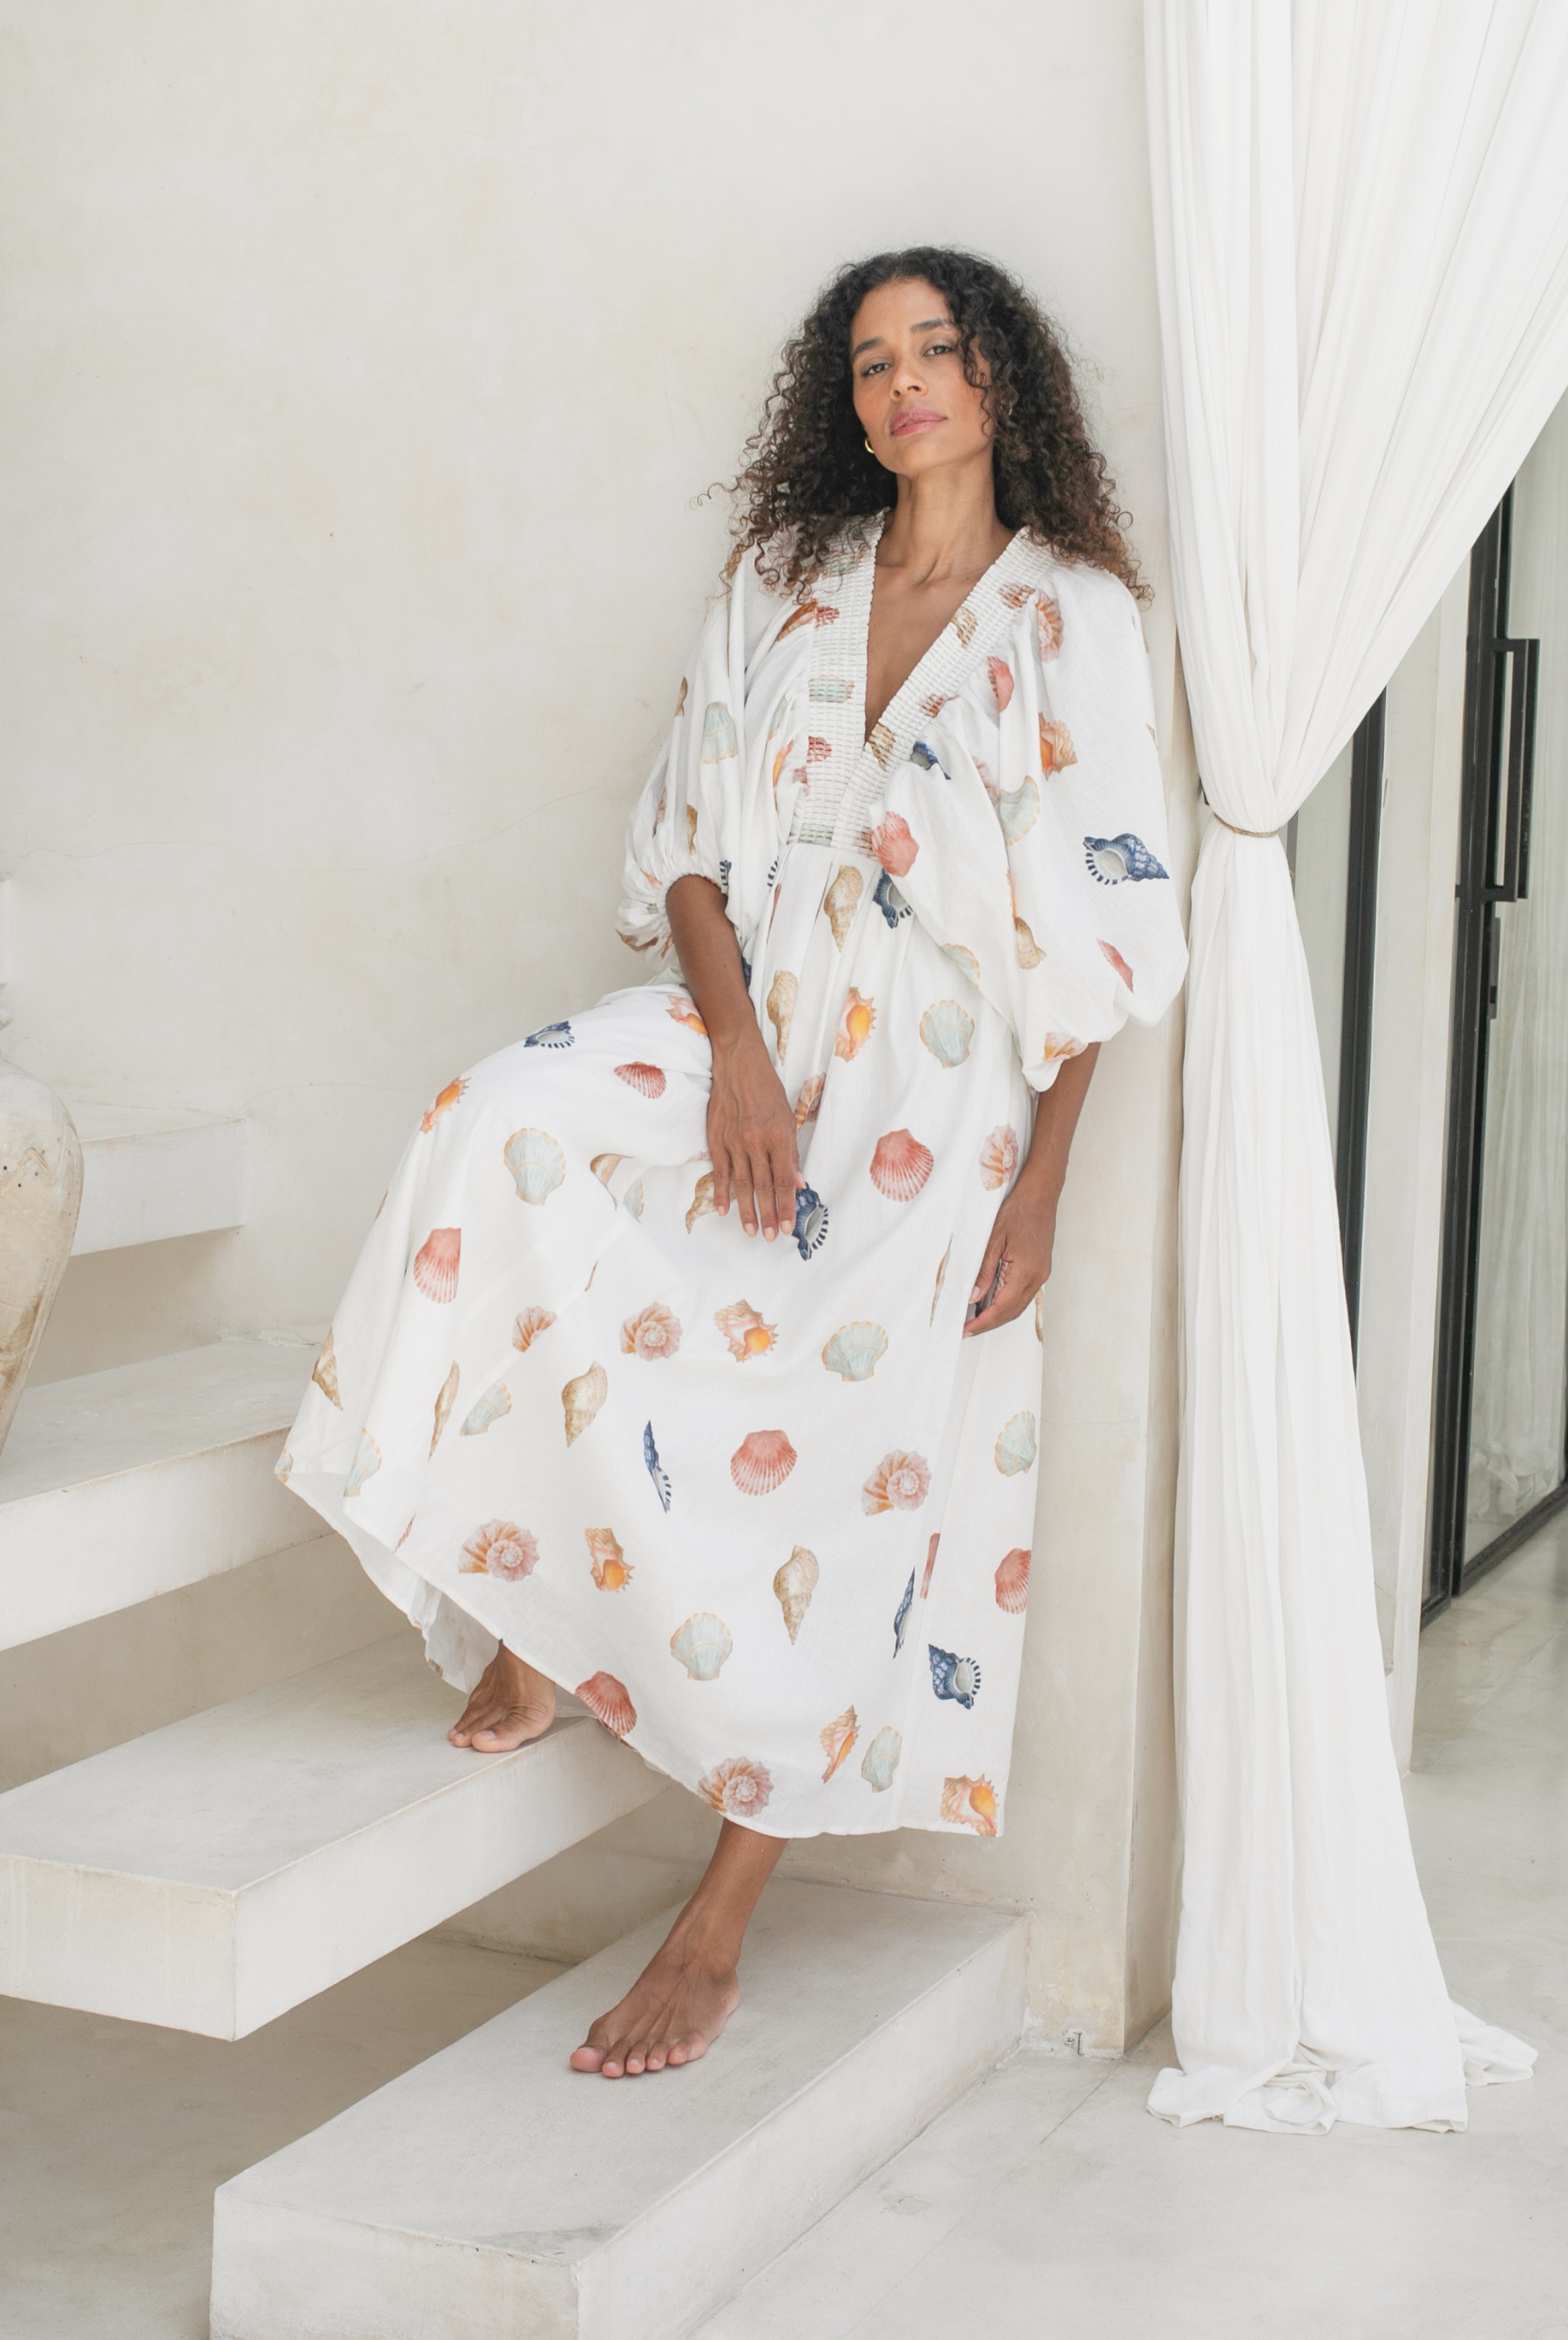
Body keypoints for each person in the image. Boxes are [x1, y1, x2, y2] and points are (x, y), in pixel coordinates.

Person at [279, 246, 1186, 2080]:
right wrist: (739, 1057)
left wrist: (1040, 1183)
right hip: (753, 1018)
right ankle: (527, 1594)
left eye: (937, 349)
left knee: (862, 1453)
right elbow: (686, 844)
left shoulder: (1074, 615)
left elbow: (1097, 943)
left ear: (1001, 377)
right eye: (871, 361)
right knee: (505, 1124)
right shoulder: (785, 577)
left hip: (943, 1089)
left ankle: (716, 1919)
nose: (903, 383)